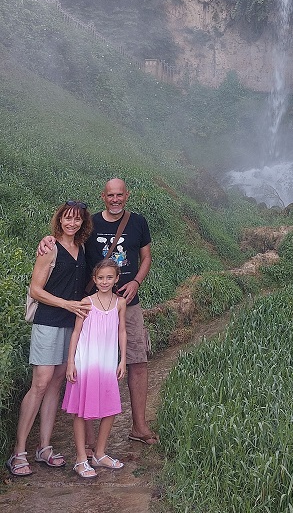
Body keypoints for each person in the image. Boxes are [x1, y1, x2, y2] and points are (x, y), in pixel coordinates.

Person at [38, 178, 158, 446]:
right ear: (103, 196)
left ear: (127, 195)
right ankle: (91, 441)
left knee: (137, 361)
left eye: (120, 195)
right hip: (92, 306)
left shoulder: (138, 222)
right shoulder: (90, 223)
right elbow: (67, 238)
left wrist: (136, 281)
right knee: (89, 366)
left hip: (127, 302)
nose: (115, 199)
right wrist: (47, 239)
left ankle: (139, 426)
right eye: (110, 195)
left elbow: (146, 256)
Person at [7, 201, 91, 477]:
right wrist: (67, 304)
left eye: (77, 219)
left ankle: (44, 447)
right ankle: (18, 452)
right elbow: (36, 290)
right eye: (67, 218)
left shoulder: (81, 249)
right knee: (41, 383)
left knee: (56, 383)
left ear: (82, 223)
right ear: (59, 220)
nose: (72, 223)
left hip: (71, 324)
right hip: (48, 322)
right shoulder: (50, 247)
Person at [62, 258, 127, 478]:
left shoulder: (120, 303)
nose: (105, 281)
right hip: (86, 362)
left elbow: (122, 332)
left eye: (110, 277)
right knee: (81, 410)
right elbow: (76, 333)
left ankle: (99, 453)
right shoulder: (86, 302)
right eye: (100, 278)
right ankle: (81, 459)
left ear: (117, 279)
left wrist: (123, 359)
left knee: (110, 408)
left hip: (108, 362)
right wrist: (71, 362)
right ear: (94, 279)